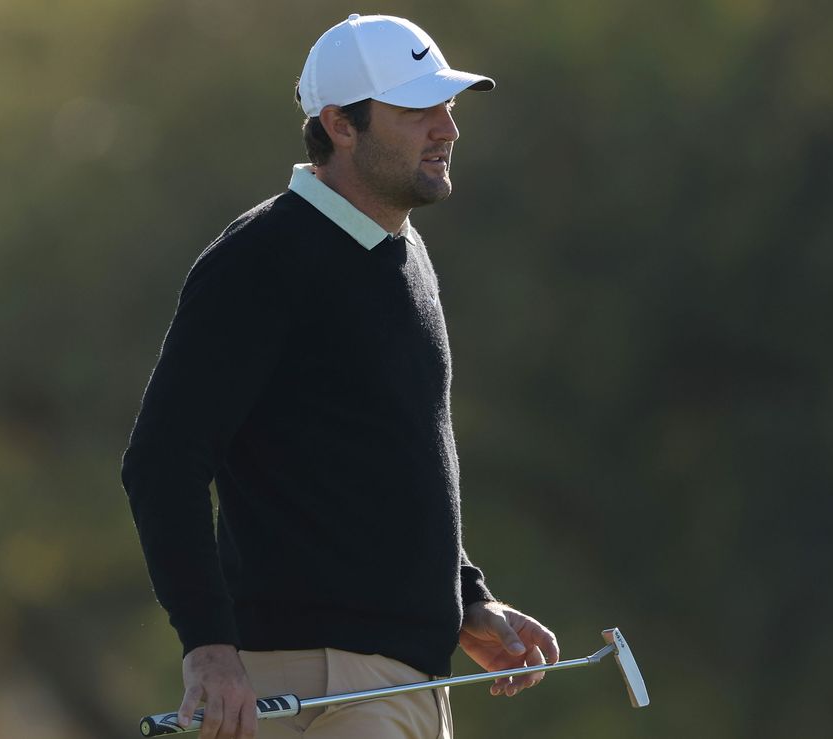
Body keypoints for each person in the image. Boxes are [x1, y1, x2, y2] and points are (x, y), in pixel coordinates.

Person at [122, 14, 558, 739]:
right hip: (317, 685)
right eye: (419, 109)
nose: (447, 128)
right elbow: (161, 462)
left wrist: (466, 597)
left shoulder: (404, 256)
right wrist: (208, 645)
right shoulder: (265, 257)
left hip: (404, 686)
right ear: (340, 124)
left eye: (448, 107)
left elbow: (385, 465)